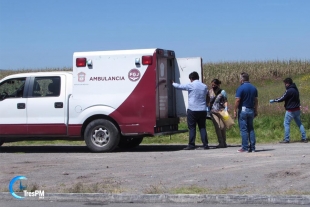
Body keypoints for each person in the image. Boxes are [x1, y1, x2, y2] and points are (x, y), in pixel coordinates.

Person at [172, 71, 209, 150]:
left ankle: (191, 144)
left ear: (191, 78)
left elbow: (179, 86)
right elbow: (207, 95)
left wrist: (173, 83)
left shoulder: (191, 85)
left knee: (192, 128)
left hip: (193, 109)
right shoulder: (204, 86)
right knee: (202, 127)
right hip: (202, 109)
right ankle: (205, 144)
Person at [269, 78, 307, 143]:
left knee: (286, 123)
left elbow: (282, 98)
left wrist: (274, 100)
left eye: (285, 83)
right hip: (297, 109)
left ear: (287, 83)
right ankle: (304, 138)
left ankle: (286, 139)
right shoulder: (296, 89)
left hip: (290, 110)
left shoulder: (289, 90)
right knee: (299, 123)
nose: (285, 85)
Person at [234, 72, 258, 153]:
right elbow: (256, 100)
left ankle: (245, 147)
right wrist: (256, 110)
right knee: (251, 128)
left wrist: (235, 110)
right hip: (251, 109)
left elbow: (237, 100)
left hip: (243, 110)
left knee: (243, 129)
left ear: (242, 80)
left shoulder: (240, 88)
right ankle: (253, 147)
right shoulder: (254, 88)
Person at [207, 79, 228, 148]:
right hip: (213, 112)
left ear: (218, 85)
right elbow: (207, 101)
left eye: (214, 85)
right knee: (217, 127)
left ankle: (224, 142)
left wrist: (226, 108)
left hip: (222, 111)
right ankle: (221, 142)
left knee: (222, 127)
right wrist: (207, 108)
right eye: (212, 85)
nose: (213, 86)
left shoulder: (222, 92)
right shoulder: (209, 92)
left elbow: (225, 100)